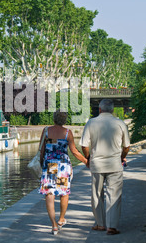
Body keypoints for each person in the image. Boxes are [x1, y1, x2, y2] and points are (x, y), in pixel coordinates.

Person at [80, 99, 130, 235]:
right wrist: (121, 157)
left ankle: (100, 224)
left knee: (97, 194)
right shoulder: (120, 123)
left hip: (97, 164)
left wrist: (88, 158)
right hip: (115, 163)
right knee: (114, 195)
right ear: (113, 110)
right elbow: (126, 146)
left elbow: (84, 145)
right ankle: (111, 226)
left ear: (100, 109)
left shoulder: (91, 122)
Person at [38, 110, 89, 235]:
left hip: (50, 165)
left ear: (54, 119)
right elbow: (74, 151)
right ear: (65, 121)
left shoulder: (46, 131)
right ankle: (61, 219)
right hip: (63, 166)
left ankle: (54, 225)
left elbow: (41, 151)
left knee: (50, 194)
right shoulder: (67, 133)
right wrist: (86, 161)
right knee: (64, 193)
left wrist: (41, 165)